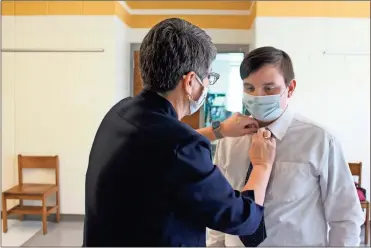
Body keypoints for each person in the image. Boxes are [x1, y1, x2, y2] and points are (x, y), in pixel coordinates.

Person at [83, 18, 277, 247]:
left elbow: (162, 149)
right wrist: (262, 166)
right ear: (190, 82)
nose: (208, 83)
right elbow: (243, 219)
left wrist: (219, 130)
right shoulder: (180, 146)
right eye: (208, 78)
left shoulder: (121, 112)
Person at [207, 46, 365, 246]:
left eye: (269, 88)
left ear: (290, 88)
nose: (258, 96)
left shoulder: (319, 140)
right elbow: (219, 207)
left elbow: (345, 217)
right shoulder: (229, 141)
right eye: (249, 88)